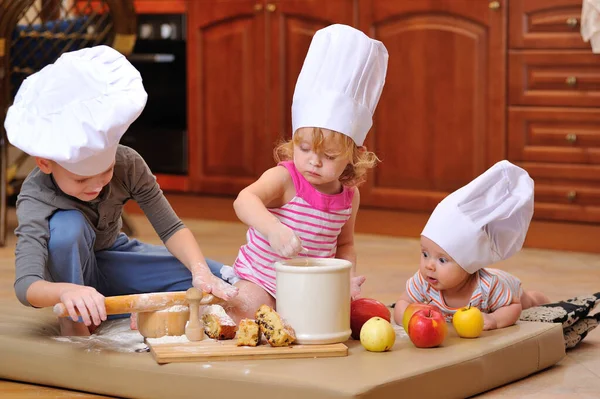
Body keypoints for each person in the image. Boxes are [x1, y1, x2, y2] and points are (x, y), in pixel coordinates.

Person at [4, 45, 238, 336]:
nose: (96, 185)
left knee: (224, 283)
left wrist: (199, 269)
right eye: (80, 180)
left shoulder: (128, 162)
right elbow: (26, 286)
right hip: (70, 276)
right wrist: (66, 292)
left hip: (115, 259)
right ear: (46, 163)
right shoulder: (34, 195)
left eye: (106, 172)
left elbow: (171, 229)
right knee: (68, 226)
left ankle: (109, 304)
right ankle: (76, 320)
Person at [220, 24, 389, 322]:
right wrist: (274, 229)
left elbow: (345, 244)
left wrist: (344, 277)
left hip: (310, 287)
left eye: (329, 155)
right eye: (306, 148)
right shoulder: (285, 179)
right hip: (262, 280)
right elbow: (244, 200)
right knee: (250, 310)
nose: (314, 161)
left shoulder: (350, 196)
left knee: (327, 321)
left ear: (352, 156)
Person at [393, 160, 550, 331]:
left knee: (528, 302)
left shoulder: (489, 287)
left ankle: (539, 299)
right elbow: (402, 302)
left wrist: (495, 319)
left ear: (468, 264)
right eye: (425, 254)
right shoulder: (423, 282)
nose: (429, 265)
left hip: (508, 287)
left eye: (442, 260)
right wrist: (407, 319)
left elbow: (513, 306)